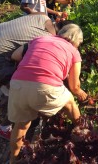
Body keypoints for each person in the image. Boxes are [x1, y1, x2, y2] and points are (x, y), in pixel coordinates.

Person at [8, 24, 87, 164]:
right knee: (69, 101)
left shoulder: (39, 39)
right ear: (77, 41)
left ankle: (13, 160)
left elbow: (15, 55)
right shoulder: (73, 51)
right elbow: (74, 87)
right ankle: (81, 131)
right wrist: (82, 94)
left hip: (17, 83)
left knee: (21, 125)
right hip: (44, 87)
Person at [0, 14, 60, 140]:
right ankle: (4, 128)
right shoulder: (47, 40)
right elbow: (17, 57)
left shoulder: (43, 18)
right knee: (20, 93)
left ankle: (7, 96)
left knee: (15, 84)